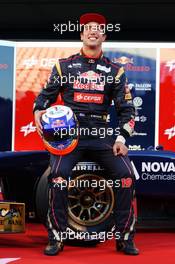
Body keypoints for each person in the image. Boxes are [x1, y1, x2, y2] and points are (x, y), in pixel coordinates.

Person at [33, 13, 139, 256]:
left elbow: (128, 110)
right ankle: (57, 237)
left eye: (98, 29)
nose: (93, 32)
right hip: (69, 135)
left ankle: (124, 238)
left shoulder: (115, 71)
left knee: (125, 175)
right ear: (81, 34)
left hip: (102, 135)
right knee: (58, 175)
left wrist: (122, 140)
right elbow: (44, 98)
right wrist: (38, 111)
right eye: (88, 28)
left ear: (104, 35)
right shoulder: (64, 66)